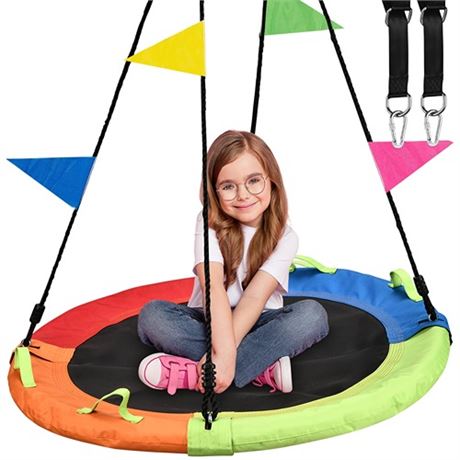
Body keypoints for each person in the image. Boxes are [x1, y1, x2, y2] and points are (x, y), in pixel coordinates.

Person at [137, 130, 329, 396]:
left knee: (312, 316)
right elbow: (213, 287)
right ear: (214, 191)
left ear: (272, 181)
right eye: (228, 186)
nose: (243, 195)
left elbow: (254, 298)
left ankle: (199, 372)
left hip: (260, 320)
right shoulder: (208, 222)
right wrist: (224, 351)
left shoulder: (286, 237)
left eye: (254, 181)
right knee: (153, 317)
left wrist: (225, 355)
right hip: (210, 318)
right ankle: (259, 368)